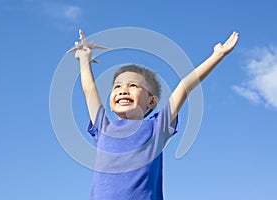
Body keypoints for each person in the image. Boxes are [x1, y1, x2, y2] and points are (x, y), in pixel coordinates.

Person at [75, 31, 239, 200]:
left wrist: (217, 55)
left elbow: (185, 87)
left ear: (152, 102)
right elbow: (89, 90)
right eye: (117, 87)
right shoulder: (103, 126)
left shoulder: (157, 126)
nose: (123, 90)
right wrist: (84, 59)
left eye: (133, 85)